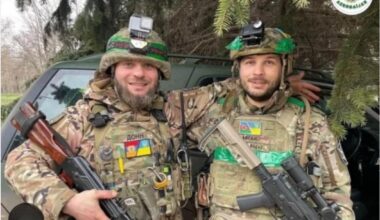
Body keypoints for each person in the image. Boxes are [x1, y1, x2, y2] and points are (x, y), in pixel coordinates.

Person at [4, 16, 320, 220]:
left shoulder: (171, 109)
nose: (138, 74)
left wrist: (277, 82)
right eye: (128, 65)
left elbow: (219, 91)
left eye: (148, 67)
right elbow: (18, 161)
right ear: (112, 69)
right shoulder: (83, 118)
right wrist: (67, 202)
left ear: (160, 73)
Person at [165, 23, 355, 220]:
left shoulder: (311, 123)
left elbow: (338, 195)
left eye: (269, 63)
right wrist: (233, 84)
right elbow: (171, 106)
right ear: (238, 68)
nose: (258, 72)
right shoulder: (215, 116)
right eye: (249, 62)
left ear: (284, 67)